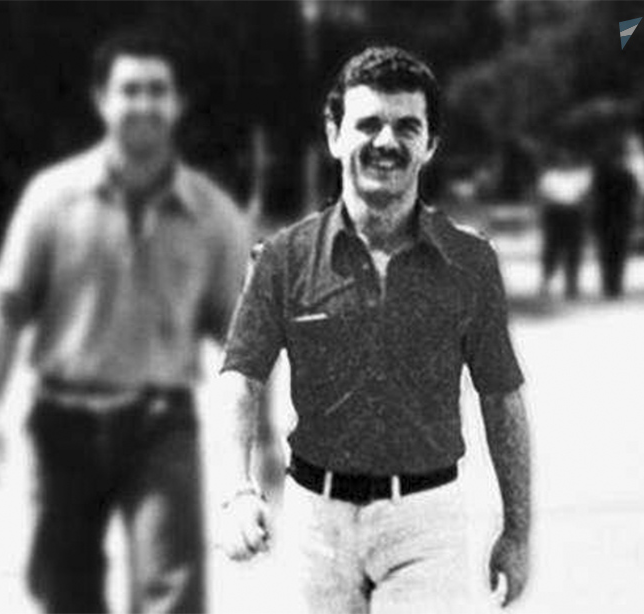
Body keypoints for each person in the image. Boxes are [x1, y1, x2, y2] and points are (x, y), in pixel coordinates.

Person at [216, 46, 532, 613]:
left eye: (407, 126)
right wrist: (236, 490)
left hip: (426, 521)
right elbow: (240, 378)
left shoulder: (470, 263)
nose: (386, 142)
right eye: (368, 124)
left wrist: (517, 531)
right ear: (334, 135)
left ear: (430, 144)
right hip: (317, 522)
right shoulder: (283, 259)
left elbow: (501, 397)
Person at [0, 26, 251, 613]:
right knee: (66, 591)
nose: (144, 104)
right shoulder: (52, 198)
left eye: (157, 90)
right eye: (130, 89)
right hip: (63, 424)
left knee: (173, 592)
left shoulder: (212, 215)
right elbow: (7, 305)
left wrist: (264, 440)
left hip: (162, 427)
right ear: (102, 100)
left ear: (177, 103)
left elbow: (244, 339)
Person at [536, 144, 594, 300]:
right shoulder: (550, 176)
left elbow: (585, 196)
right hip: (555, 213)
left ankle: (572, 285)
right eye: (562, 159)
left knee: (574, 250)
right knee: (551, 249)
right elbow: (543, 196)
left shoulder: (580, 176)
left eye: (568, 158)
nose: (565, 161)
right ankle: (546, 281)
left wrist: (584, 212)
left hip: (574, 214)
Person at [591, 137, 638, 299]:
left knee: (617, 253)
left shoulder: (626, 176)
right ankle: (610, 285)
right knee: (609, 254)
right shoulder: (607, 176)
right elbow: (596, 198)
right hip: (608, 218)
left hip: (617, 218)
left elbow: (633, 198)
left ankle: (614, 285)